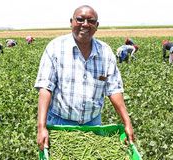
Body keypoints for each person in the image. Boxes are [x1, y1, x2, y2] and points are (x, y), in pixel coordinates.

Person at [34, 5, 135, 151]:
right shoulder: (55, 48)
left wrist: (127, 122)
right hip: (59, 124)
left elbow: (114, 90)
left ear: (97, 25)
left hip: (92, 124)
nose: (85, 24)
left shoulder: (105, 52)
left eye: (91, 21)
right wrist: (41, 126)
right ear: (71, 22)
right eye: (80, 19)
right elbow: (45, 87)